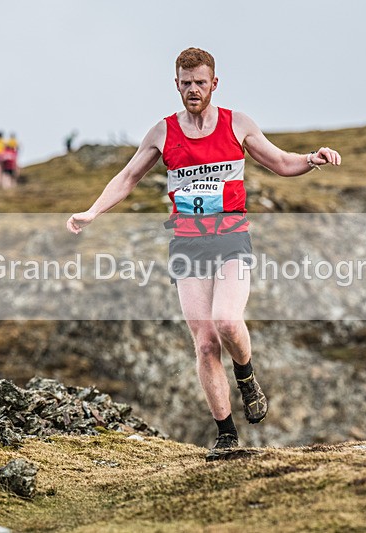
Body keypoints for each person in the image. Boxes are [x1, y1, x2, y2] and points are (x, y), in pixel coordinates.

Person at [65, 47, 341, 459]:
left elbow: (281, 162)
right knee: (205, 342)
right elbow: (126, 178)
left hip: (231, 238)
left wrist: (311, 159)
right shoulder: (162, 132)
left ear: (215, 83)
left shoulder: (237, 124)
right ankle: (226, 435)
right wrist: (91, 211)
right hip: (187, 244)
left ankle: (246, 379)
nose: (194, 89)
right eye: (186, 82)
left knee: (228, 322)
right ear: (176, 84)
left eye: (201, 82)